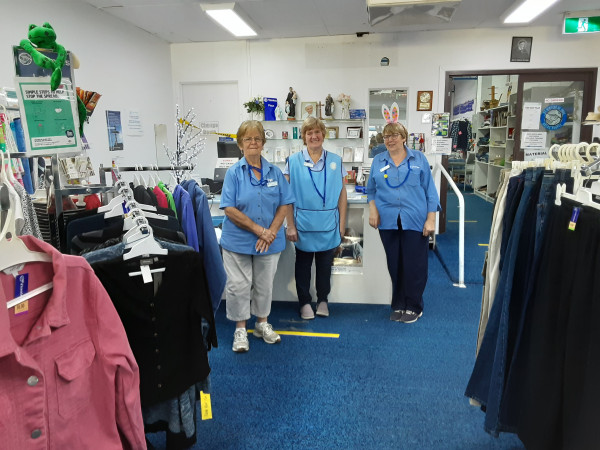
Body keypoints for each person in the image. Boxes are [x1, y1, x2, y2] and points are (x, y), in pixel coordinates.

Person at [220, 120, 295, 352]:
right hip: (238, 240)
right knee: (238, 286)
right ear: (240, 144)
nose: (253, 142)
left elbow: (285, 203)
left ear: (263, 143)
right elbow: (229, 209)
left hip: (269, 240)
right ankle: (240, 329)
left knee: (264, 285)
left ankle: (262, 324)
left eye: (257, 138)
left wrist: (270, 231)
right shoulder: (233, 173)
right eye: (248, 139)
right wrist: (259, 230)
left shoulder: (275, 172)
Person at [367, 122, 440, 324]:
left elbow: (430, 192)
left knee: (414, 264)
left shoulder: (419, 159)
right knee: (395, 264)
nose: (390, 140)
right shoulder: (378, 160)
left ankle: (414, 306)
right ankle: (399, 303)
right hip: (387, 220)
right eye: (386, 136)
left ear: (404, 137)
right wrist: (373, 209)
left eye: (394, 135)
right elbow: (371, 190)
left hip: (415, 219)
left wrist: (431, 219)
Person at [284, 117, 347, 319]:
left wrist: (342, 224)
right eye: (309, 133)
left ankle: (323, 300)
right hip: (302, 225)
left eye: (317, 132)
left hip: (329, 224)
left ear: (323, 134)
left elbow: (342, 194)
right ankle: (304, 302)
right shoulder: (293, 161)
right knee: (303, 266)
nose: (314, 136)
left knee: (324, 266)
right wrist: (290, 225)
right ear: (304, 137)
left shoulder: (336, 160)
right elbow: (286, 197)